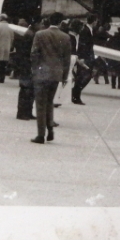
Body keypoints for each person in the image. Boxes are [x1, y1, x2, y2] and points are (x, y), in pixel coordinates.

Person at [29, 12, 72, 144]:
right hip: (56, 74)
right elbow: (67, 59)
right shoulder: (65, 37)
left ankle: (41, 135)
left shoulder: (40, 34)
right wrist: (64, 76)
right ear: (61, 22)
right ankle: (50, 129)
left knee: (40, 105)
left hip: (42, 73)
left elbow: (34, 54)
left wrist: (35, 69)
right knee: (49, 103)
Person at [10, 19, 36, 119]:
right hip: (27, 63)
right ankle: (23, 112)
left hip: (23, 62)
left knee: (27, 88)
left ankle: (25, 112)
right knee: (27, 88)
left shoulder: (23, 34)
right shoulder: (30, 34)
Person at [70, 15, 97, 104]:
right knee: (83, 77)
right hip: (84, 57)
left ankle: (76, 95)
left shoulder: (88, 30)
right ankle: (76, 95)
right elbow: (83, 45)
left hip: (86, 57)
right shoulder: (86, 30)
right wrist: (82, 58)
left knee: (83, 77)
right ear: (94, 21)